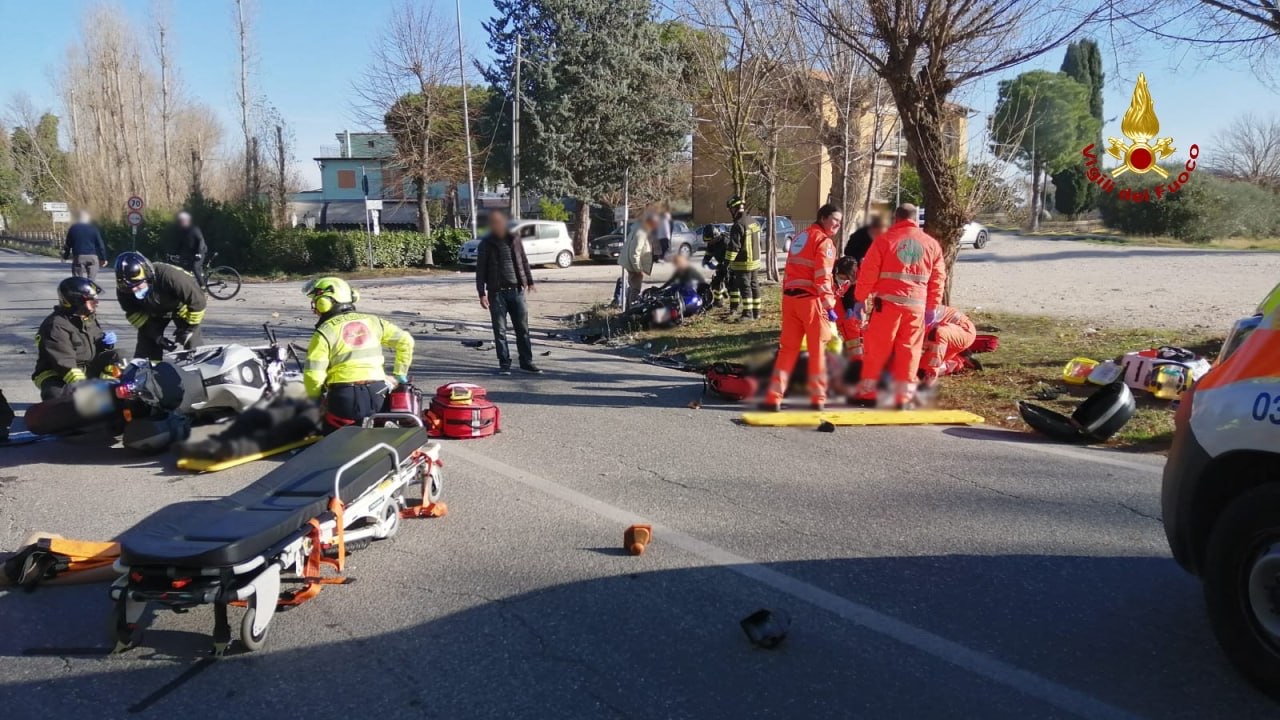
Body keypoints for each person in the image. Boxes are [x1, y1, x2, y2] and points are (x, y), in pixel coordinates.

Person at [851, 204, 947, 408]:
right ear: (916, 220)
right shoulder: (931, 245)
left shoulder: (884, 241)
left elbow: (868, 273)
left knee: (877, 348)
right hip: (916, 308)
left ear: (896, 219)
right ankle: (903, 397)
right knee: (910, 351)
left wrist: (860, 298)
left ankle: (868, 392)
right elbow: (938, 279)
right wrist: (932, 307)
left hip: (887, 305)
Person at [302, 276, 414, 432]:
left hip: (344, 397)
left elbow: (313, 375)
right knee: (376, 435)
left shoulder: (323, 332)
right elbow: (406, 341)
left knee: (328, 435)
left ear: (325, 303)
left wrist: (315, 400)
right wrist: (400, 375)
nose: (315, 310)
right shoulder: (374, 321)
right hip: (379, 394)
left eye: (316, 303)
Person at [762, 203, 843, 411]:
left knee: (787, 351)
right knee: (817, 351)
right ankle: (818, 399)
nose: (838, 225)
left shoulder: (800, 237)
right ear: (823, 217)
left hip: (791, 301)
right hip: (811, 302)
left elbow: (790, 270)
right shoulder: (824, 243)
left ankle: (774, 397)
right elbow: (822, 277)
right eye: (835, 220)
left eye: (840, 222)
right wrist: (829, 305)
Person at [475, 210, 541, 375]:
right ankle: (504, 363)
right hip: (496, 293)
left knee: (523, 329)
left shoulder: (515, 239)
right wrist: (481, 293)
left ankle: (527, 362)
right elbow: (480, 270)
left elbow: (523, 261)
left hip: (517, 291)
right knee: (500, 331)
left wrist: (530, 281)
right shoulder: (486, 243)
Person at [32, 277, 120, 400]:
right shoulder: (55, 326)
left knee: (119, 357)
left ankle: (111, 393)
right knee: (57, 396)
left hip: (86, 367)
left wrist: (106, 344)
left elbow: (96, 344)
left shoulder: (86, 317)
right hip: (58, 372)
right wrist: (87, 390)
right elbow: (65, 364)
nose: (97, 303)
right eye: (91, 301)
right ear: (76, 302)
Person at [115, 251, 207, 361]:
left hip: (181, 308)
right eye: (129, 288)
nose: (134, 290)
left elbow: (198, 303)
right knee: (146, 350)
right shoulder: (123, 290)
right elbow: (135, 315)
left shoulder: (170, 276)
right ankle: (149, 374)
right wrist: (156, 337)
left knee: (192, 345)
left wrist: (188, 330)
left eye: (137, 284)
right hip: (152, 312)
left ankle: (197, 369)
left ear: (148, 275)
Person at [920, 305, 978, 387]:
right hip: (947, 336)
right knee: (918, 369)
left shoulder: (917, 312)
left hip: (962, 331)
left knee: (938, 333)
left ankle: (930, 377)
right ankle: (956, 361)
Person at [725, 196, 763, 320]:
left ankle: (748, 314)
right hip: (755, 262)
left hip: (743, 263)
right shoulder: (753, 221)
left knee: (745, 288)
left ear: (734, 208)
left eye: (730, 209)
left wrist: (726, 263)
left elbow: (734, 248)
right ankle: (757, 312)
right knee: (754, 286)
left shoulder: (738, 225)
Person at [620, 212, 656, 310]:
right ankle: (632, 310)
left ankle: (628, 308)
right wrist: (638, 269)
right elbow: (634, 253)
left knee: (632, 287)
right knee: (635, 289)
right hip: (633, 265)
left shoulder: (640, 229)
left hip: (631, 263)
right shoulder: (642, 232)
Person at [833, 256, 864, 368]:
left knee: (854, 332)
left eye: (844, 278)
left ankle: (858, 362)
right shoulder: (831, 273)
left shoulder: (858, 275)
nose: (841, 279)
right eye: (840, 277)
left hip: (847, 307)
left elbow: (852, 294)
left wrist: (850, 308)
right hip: (836, 307)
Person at [62, 211, 108, 280]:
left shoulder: (73, 228)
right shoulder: (93, 229)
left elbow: (68, 245)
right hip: (92, 257)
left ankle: (78, 288)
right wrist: (103, 258)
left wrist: (65, 256)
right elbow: (100, 245)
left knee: (77, 280)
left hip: (79, 257)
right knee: (91, 280)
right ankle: (90, 287)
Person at [167, 211, 208, 288]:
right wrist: (173, 253)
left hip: (200, 251)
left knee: (195, 267)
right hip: (191, 253)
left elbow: (201, 240)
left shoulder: (194, 229)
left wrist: (199, 253)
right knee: (183, 268)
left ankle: (203, 287)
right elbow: (180, 244)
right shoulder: (183, 231)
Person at [701, 224, 729, 307]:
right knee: (716, 282)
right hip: (721, 264)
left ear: (716, 236)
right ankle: (718, 302)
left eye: (710, 241)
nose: (709, 243)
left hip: (730, 264)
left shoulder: (725, 242)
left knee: (730, 283)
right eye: (708, 241)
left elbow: (731, 256)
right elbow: (709, 252)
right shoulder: (711, 242)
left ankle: (731, 299)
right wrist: (706, 259)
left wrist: (724, 264)